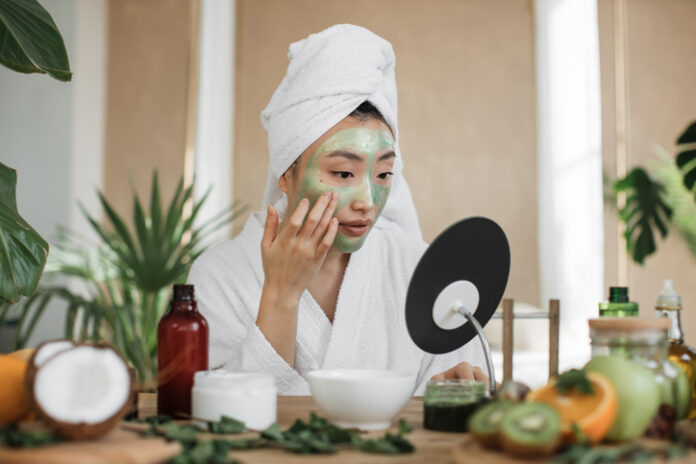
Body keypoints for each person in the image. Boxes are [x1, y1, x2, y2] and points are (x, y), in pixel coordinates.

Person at [188, 24, 487, 395]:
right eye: (343, 172)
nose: (366, 201)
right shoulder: (218, 277)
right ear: (286, 174)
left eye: (383, 173)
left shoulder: (418, 267)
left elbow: (452, 388)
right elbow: (213, 411)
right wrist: (281, 296)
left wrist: (444, 392)